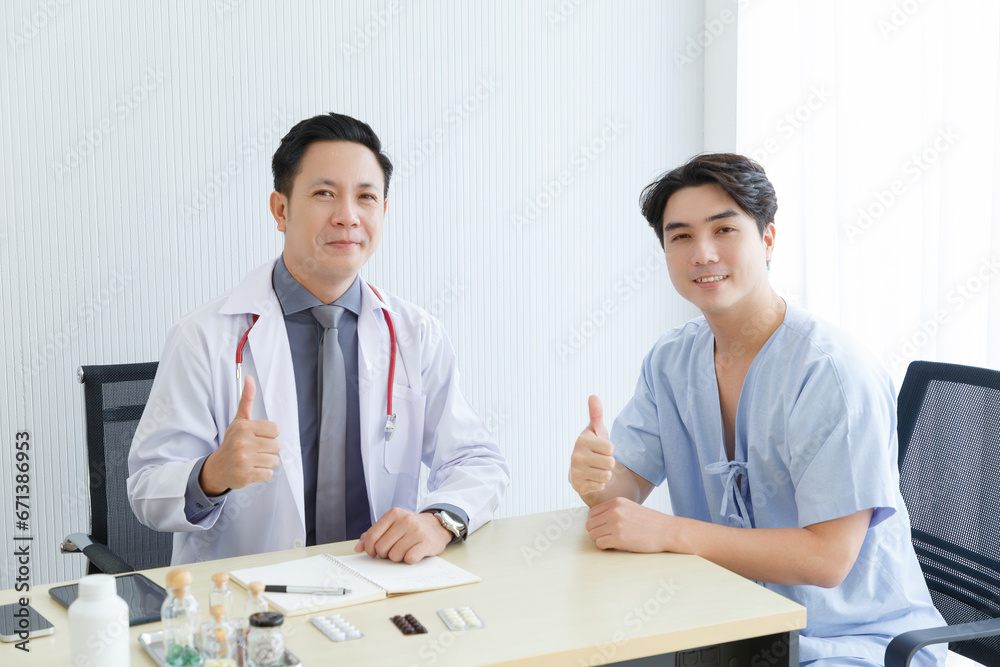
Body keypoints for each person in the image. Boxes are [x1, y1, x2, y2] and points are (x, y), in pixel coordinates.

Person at [569, 154, 945, 666]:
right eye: (680, 237)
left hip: (848, 643)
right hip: (733, 625)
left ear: (767, 240)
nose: (702, 253)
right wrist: (596, 480)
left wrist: (668, 532)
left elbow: (828, 558)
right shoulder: (671, 360)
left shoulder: (829, 372)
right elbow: (625, 489)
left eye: (724, 229)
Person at [128, 112, 509, 565]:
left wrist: (437, 520)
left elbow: (478, 461)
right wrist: (211, 474)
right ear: (281, 210)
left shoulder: (415, 334)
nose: (347, 216)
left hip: (381, 583)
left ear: (382, 212)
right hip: (255, 600)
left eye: (366, 197)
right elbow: (147, 487)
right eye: (325, 193)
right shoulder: (205, 337)